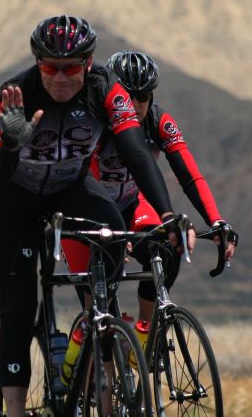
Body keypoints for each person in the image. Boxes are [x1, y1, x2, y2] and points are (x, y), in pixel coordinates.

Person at [0, 15, 189, 416]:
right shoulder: (15, 94)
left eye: (71, 67)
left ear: (88, 63)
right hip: (14, 201)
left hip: (70, 189)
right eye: (50, 67)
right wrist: (9, 147)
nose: (60, 77)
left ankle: (94, 341)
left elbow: (136, 151)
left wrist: (165, 212)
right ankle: (17, 409)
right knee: (19, 309)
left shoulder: (104, 88)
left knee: (115, 241)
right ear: (37, 63)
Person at [62, 50, 237, 333]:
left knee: (167, 247)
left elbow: (190, 176)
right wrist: (110, 227)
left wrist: (216, 221)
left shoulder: (158, 122)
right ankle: (83, 365)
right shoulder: (94, 123)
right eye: (127, 94)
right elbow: (86, 180)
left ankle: (144, 337)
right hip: (87, 213)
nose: (135, 103)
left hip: (131, 204)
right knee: (99, 317)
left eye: (143, 96)